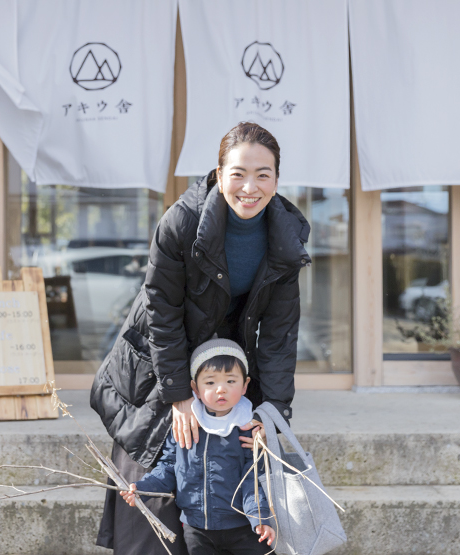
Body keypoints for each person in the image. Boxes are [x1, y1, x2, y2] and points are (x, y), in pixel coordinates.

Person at [91, 122, 310, 554]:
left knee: (232, 502)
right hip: (160, 363)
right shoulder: (183, 220)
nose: (250, 187)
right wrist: (177, 395)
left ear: (277, 179)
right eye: (238, 173)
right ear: (218, 173)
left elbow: (280, 335)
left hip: (226, 365)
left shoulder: (285, 233)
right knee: (152, 501)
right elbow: (161, 308)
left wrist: (271, 413)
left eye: (263, 174)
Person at [120, 339, 276, 555]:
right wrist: (143, 489)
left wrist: (259, 517)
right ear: (195, 387)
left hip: (242, 527)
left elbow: (253, 478)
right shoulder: (186, 425)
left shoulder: (248, 427)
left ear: (245, 385)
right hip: (196, 527)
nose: (221, 389)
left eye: (231, 381)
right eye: (210, 382)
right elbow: (168, 467)